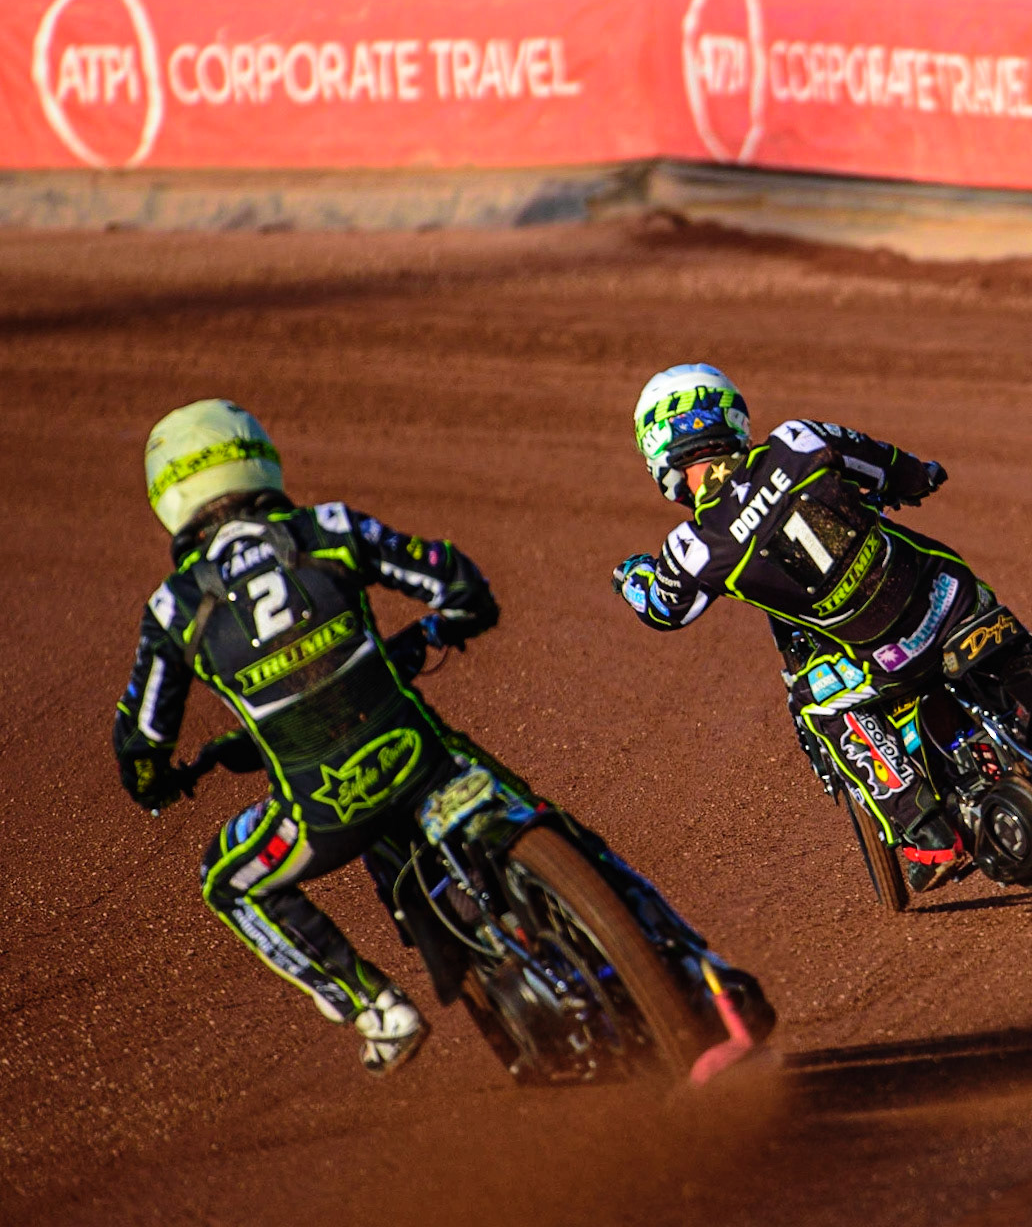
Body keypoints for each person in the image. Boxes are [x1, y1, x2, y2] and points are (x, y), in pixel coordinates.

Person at [115, 399, 765, 1075]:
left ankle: (377, 1012)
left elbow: (139, 748)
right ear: (258, 458)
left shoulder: (172, 608)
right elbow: (458, 584)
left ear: (172, 496)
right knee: (562, 831)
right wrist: (445, 626)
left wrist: (165, 780)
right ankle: (699, 969)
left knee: (226, 879)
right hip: (424, 761)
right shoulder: (328, 528)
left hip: (320, 812)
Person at [610, 364, 988, 893]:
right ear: (732, 417)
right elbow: (900, 470)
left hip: (887, 655)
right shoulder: (797, 440)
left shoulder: (693, 547)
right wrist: (922, 475)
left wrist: (631, 577)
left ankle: (928, 833)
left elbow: (662, 610)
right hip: (951, 592)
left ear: (657, 450)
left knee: (817, 703)